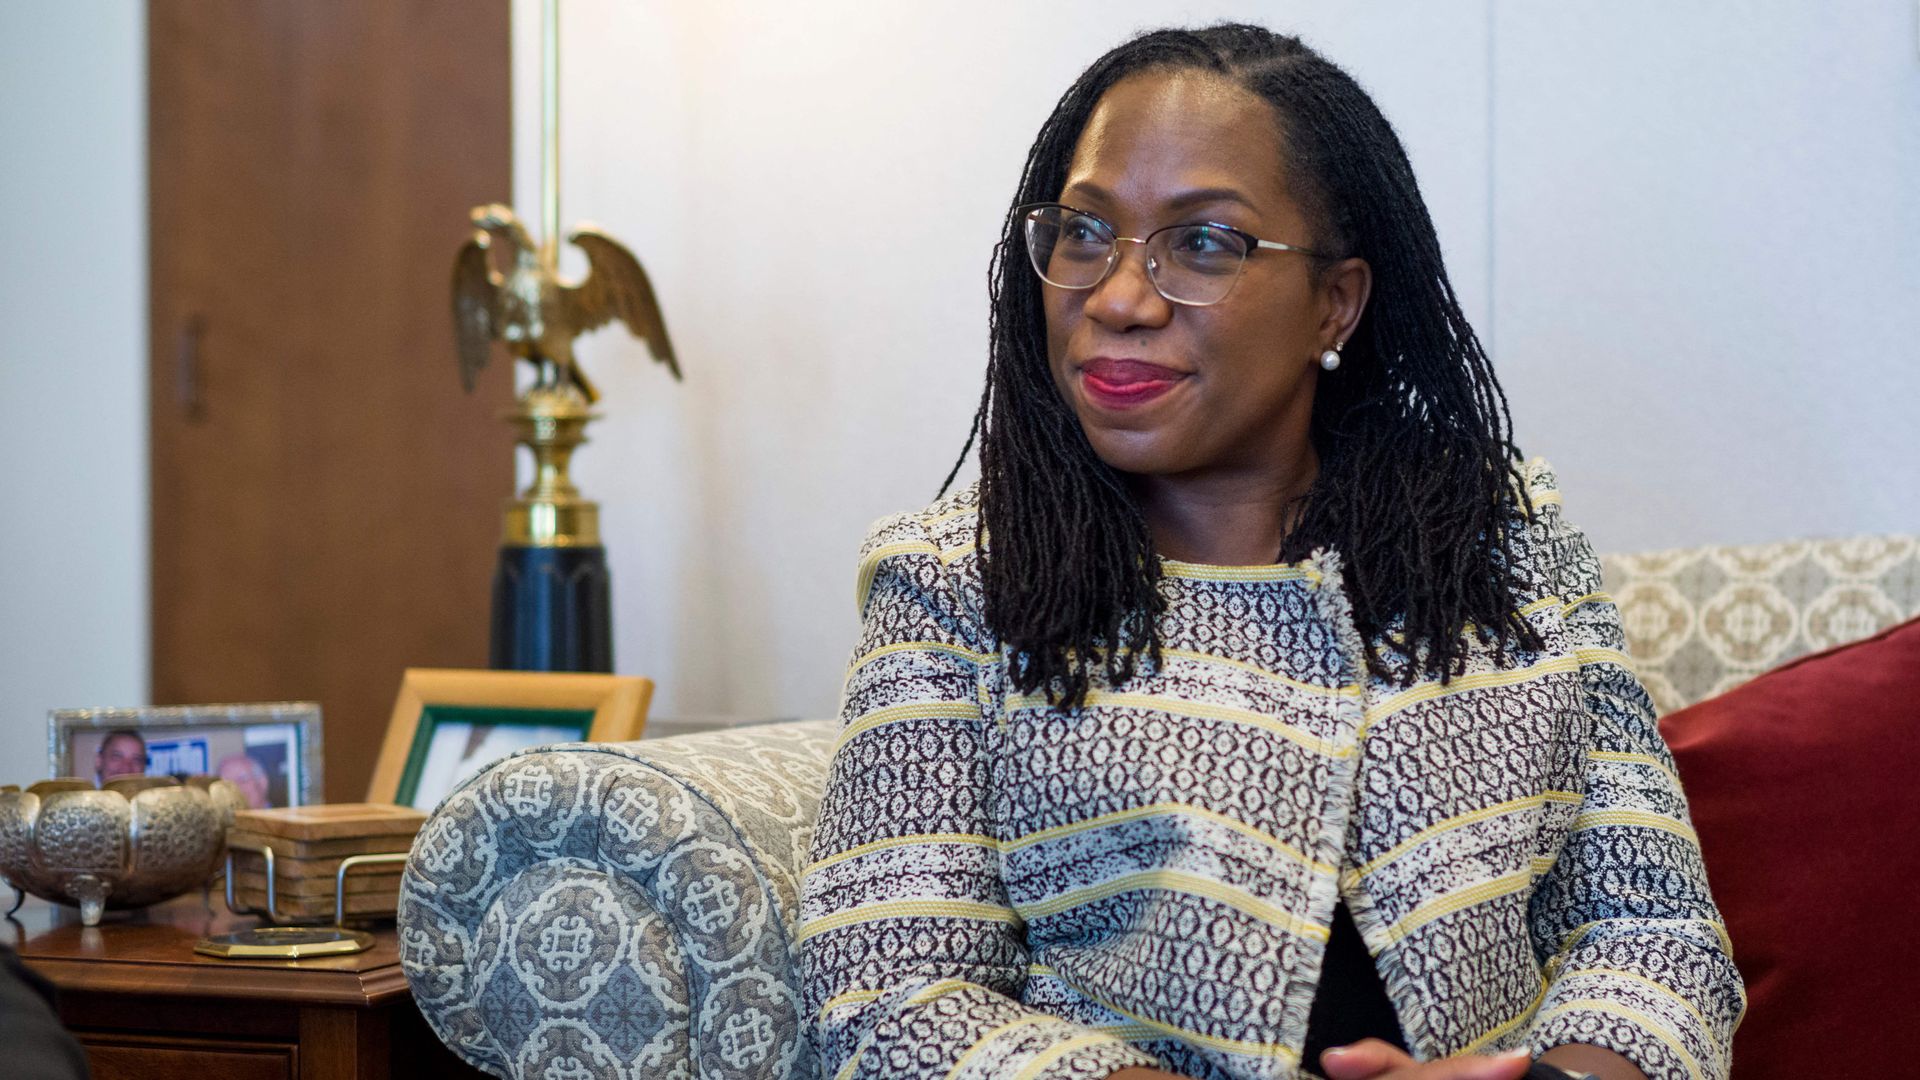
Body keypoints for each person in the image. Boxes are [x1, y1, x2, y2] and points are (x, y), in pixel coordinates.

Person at [799, 24, 1741, 1080]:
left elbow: (1657, 936)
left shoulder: (1503, 557)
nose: (1117, 298)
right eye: (1083, 233)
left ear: (1333, 303)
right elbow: (887, 992)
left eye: (1204, 242)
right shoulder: (959, 585)